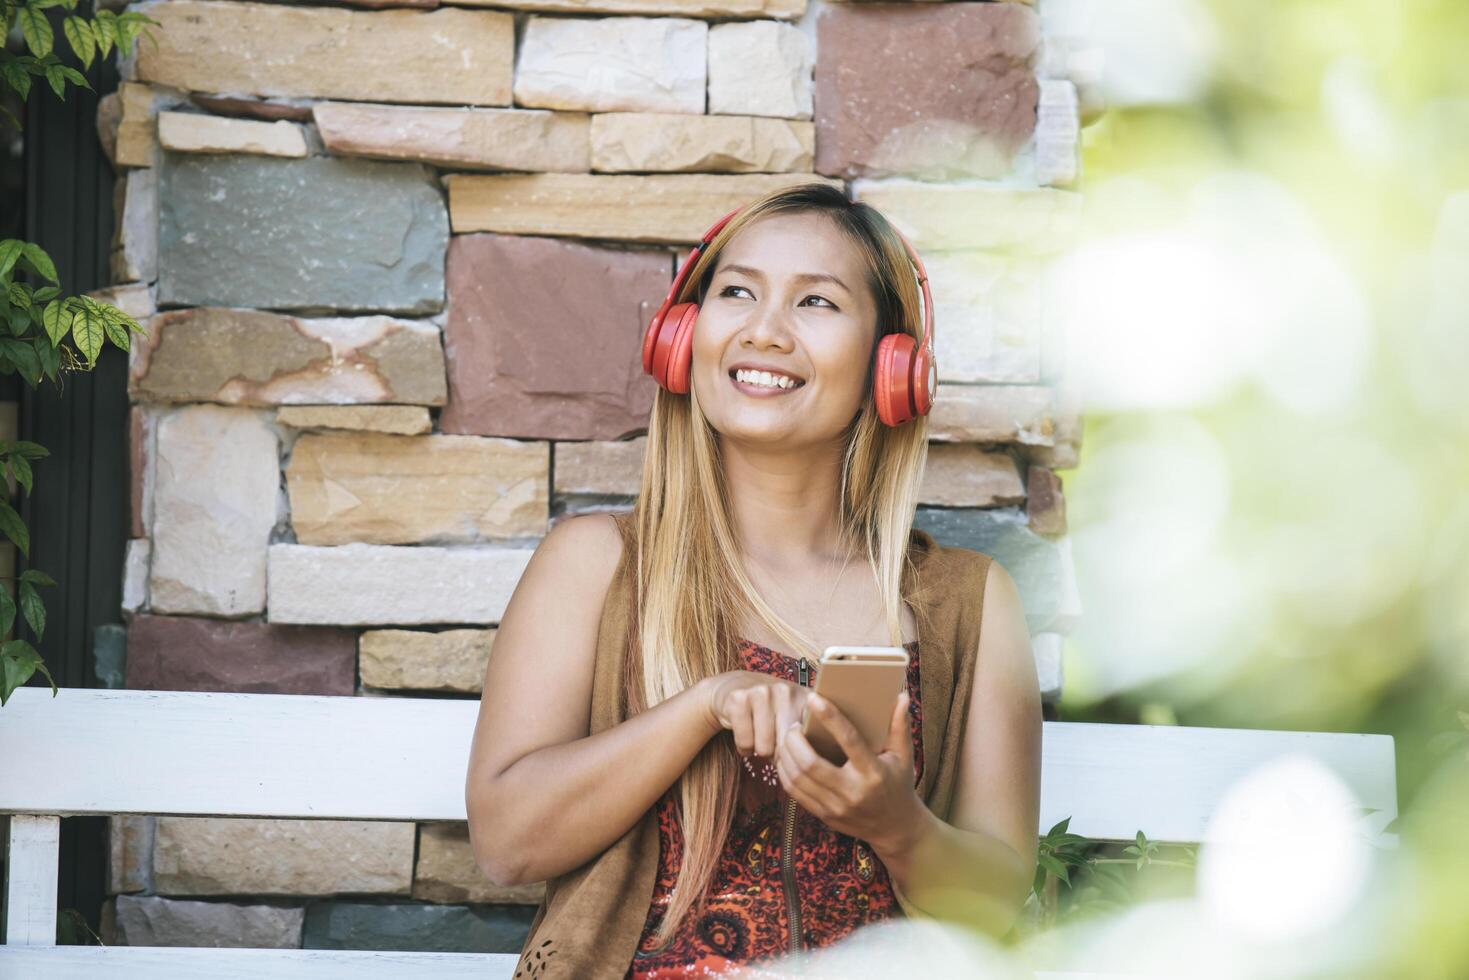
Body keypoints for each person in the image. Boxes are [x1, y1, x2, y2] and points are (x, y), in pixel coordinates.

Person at [465, 182, 1042, 979]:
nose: (764, 331)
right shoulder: (595, 564)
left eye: (816, 302)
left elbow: (996, 902)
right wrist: (704, 706)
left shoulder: (968, 603)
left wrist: (897, 825)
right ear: (681, 338)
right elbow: (506, 843)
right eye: (737, 292)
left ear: (891, 365)